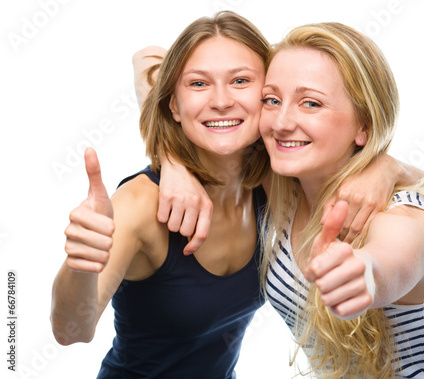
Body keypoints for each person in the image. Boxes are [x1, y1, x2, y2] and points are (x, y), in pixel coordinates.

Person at [50, 11, 271, 378]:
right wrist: (81, 264)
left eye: (241, 80)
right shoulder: (139, 206)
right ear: (173, 105)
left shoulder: (274, 185)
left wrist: (394, 171)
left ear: (269, 95)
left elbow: (150, 64)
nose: (220, 100)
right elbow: (69, 332)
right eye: (198, 84)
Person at [259, 22, 424, 377]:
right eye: (271, 99)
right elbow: (195, 120)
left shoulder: (400, 215)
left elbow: (393, 259)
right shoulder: (281, 189)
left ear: (364, 126)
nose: (280, 121)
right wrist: (173, 165)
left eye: (311, 103)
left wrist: (365, 273)